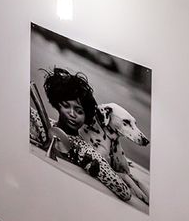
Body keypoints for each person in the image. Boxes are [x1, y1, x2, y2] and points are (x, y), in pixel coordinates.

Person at [29, 67, 131, 202]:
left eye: (79, 111)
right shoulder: (39, 121)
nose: (72, 114)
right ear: (58, 105)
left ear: (86, 116)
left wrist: (85, 161)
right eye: (66, 106)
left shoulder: (85, 151)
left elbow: (124, 192)